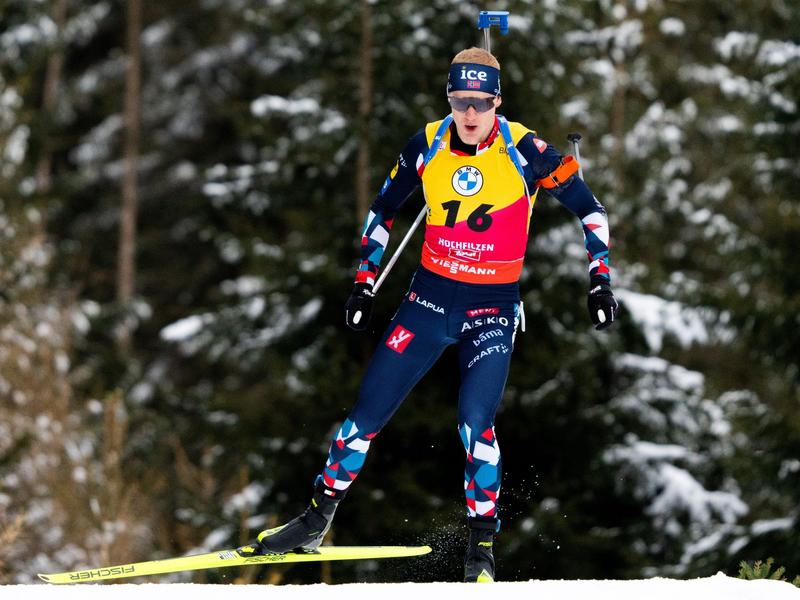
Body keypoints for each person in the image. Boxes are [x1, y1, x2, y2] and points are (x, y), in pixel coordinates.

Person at [241, 47, 618, 583]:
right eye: (461, 101)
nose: (469, 114)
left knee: (475, 425)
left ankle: (481, 551)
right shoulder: (427, 144)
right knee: (360, 420)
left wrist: (600, 281)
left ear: (497, 103)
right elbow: (383, 209)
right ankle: (314, 521)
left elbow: (591, 210)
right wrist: (363, 286)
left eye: (481, 103)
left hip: (491, 309)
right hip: (427, 303)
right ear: (449, 99)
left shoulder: (528, 150)